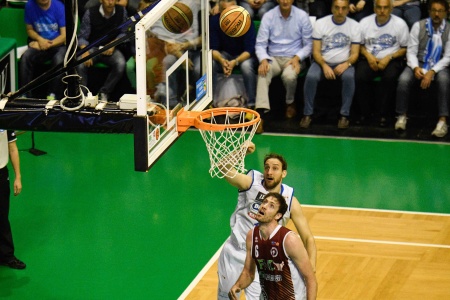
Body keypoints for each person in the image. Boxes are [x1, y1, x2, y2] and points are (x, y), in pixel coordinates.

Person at [217, 142, 317, 300]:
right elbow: (222, 167)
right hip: (236, 252)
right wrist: (241, 151)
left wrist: (310, 268)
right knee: (226, 296)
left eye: (275, 168)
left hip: (263, 261)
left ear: (284, 173)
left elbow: (308, 238)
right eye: (267, 167)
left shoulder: (290, 200)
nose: (269, 172)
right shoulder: (251, 183)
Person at [228, 193, 317, 300]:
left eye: (271, 205)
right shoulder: (252, 236)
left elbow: (310, 279)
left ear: (278, 216)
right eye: (264, 202)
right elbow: (248, 273)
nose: (264, 206)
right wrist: (237, 285)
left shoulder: (289, 240)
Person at [301, 0, 361, 129]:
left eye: (343, 8)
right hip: (322, 62)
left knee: (349, 77)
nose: (340, 11)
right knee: (311, 77)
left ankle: (344, 115)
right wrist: (324, 65)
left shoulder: (355, 26)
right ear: (332, 8)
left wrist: (347, 63)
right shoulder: (321, 24)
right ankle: (307, 114)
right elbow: (316, 52)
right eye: (337, 8)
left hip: (344, 63)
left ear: (347, 10)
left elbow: (355, 53)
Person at [254, 0, 313, 133]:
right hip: (273, 57)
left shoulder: (302, 16)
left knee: (289, 75)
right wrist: (263, 59)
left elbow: (309, 44)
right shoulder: (269, 16)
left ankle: (290, 102)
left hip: (293, 58)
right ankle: (260, 115)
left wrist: (298, 58)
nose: (285, 1)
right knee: (263, 72)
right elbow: (260, 44)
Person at [394, 0, 450, 137]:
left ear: (446, 13)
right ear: (429, 11)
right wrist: (415, 68)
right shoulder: (418, 26)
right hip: (418, 62)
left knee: (444, 80)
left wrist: (432, 71)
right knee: (403, 79)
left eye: (440, 11)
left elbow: (448, 57)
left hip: (439, 64)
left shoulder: (449, 29)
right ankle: (402, 115)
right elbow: (411, 52)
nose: (436, 14)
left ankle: (442, 121)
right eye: (434, 10)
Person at [355, 0, 409, 126]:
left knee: (389, 78)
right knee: (359, 77)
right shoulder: (365, 22)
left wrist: (389, 57)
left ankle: (382, 115)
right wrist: (369, 57)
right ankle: (365, 114)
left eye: (385, 8)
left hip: (391, 59)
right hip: (369, 58)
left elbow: (405, 48)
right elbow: (360, 45)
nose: (382, 11)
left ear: (391, 9)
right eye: (379, 7)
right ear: (374, 9)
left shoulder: (400, 24)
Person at [77, 0, 129, 102]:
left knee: (121, 64)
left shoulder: (121, 11)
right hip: (93, 48)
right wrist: (85, 51)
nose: (110, 2)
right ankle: (83, 95)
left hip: (111, 49)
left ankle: (104, 92)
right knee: (79, 63)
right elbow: (82, 37)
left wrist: (113, 44)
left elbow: (125, 33)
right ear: (101, 0)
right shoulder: (90, 12)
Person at [210, 0, 258, 108]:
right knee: (211, 63)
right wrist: (222, 60)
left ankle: (251, 104)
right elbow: (213, 49)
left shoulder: (245, 18)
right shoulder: (214, 20)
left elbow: (249, 50)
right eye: (226, 1)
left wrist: (235, 62)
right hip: (225, 54)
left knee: (246, 66)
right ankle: (209, 102)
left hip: (243, 55)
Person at [20, 0, 66, 100]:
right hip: (40, 44)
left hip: (57, 44)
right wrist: (40, 40)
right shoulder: (29, 5)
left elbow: (64, 36)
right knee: (26, 57)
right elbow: (29, 30)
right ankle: (24, 94)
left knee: (59, 59)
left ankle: (53, 95)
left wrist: (48, 44)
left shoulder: (59, 7)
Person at [0, 130, 25, 270]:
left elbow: (13, 149)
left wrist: (18, 177)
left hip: (1, 173)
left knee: (2, 216)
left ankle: (7, 256)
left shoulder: (5, 120)